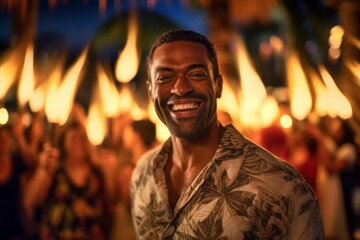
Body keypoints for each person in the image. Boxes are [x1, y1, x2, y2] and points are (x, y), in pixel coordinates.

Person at [130, 29, 324, 239]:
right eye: (165, 77)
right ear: (151, 91)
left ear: (218, 85)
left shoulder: (280, 185)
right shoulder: (142, 175)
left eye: (196, 74)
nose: (180, 88)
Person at [23, 121, 111, 239]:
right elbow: (30, 201)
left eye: (82, 138)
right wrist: (42, 170)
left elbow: (110, 201)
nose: (78, 143)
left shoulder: (96, 173)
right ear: (64, 142)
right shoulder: (55, 172)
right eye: (73, 139)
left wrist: (110, 172)